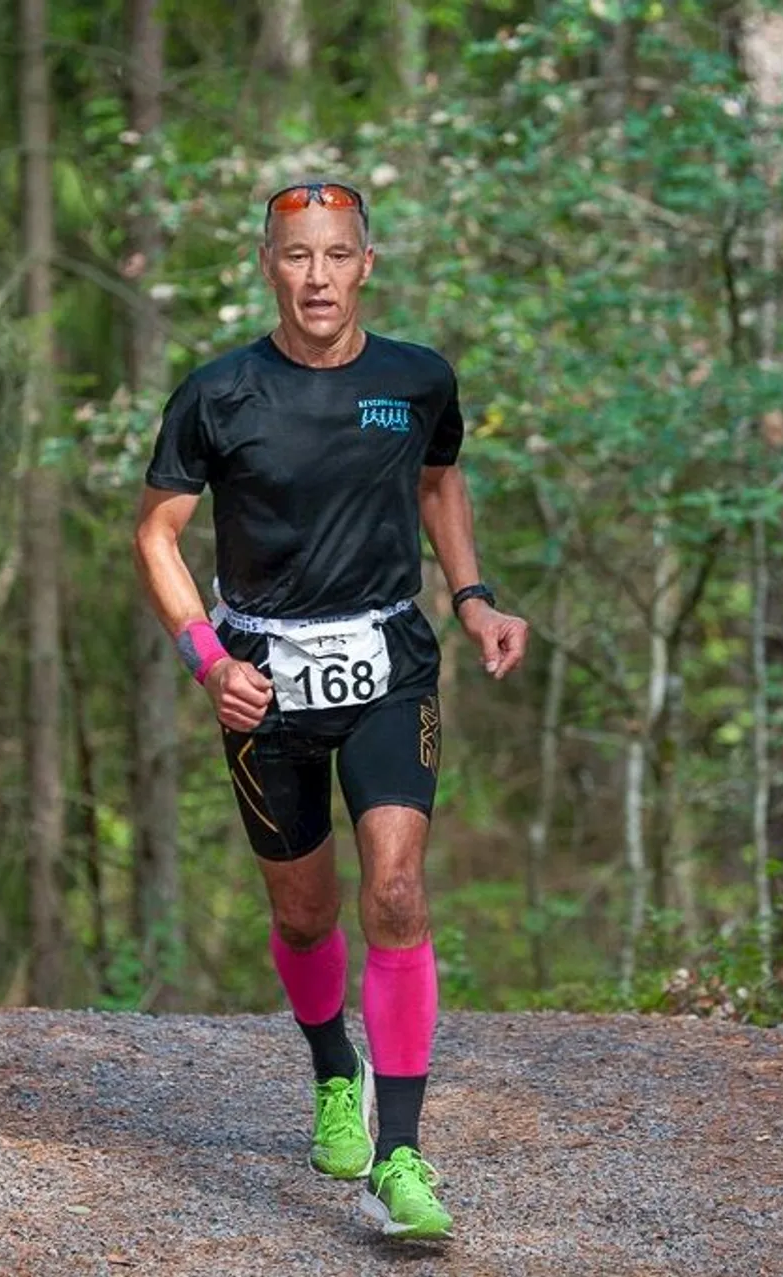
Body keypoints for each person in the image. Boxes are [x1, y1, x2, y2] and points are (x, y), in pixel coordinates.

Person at [132, 178, 528, 1240]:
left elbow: (439, 484)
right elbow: (156, 535)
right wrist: (206, 659)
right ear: (269, 264)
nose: (319, 276)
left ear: (368, 263)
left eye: (338, 254)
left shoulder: (418, 377)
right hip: (262, 676)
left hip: (389, 659)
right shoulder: (219, 393)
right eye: (298, 255)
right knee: (305, 912)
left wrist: (475, 597)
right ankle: (330, 1066)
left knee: (395, 891)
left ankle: (399, 1157)